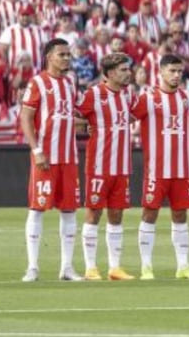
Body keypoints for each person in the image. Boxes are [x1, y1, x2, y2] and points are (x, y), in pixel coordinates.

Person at [131, 55, 189, 281]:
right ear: (161, 72)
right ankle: (146, 267)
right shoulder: (148, 98)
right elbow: (126, 118)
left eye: (180, 71)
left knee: (180, 215)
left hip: (181, 170)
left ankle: (183, 266)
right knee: (149, 214)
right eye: (172, 71)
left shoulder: (187, 98)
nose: (177, 75)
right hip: (156, 170)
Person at [19, 39, 82, 282]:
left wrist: (88, 123)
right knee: (37, 208)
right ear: (49, 57)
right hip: (45, 156)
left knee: (69, 210)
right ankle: (32, 267)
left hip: (68, 157)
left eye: (68, 54)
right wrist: (36, 150)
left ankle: (66, 267)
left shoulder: (70, 82)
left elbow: (65, 116)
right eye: (61, 54)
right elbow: (26, 117)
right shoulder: (37, 83)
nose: (66, 58)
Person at [75, 53, 136, 281]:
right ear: (110, 73)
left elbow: (135, 115)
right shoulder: (93, 94)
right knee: (94, 212)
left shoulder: (128, 94)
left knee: (117, 214)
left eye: (128, 69)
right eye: (123, 70)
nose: (128, 73)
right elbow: (72, 115)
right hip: (99, 165)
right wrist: (86, 124)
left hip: (122, 166)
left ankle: (114, 268)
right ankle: (91, 268)